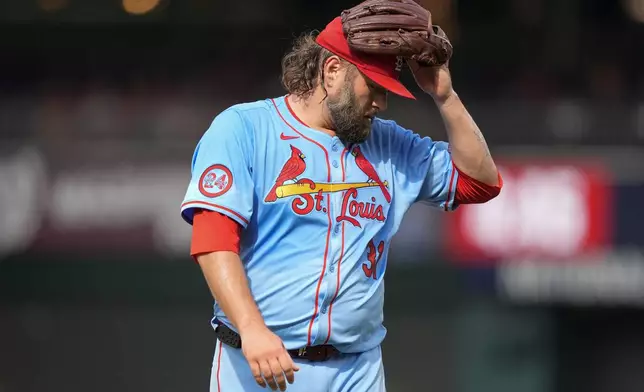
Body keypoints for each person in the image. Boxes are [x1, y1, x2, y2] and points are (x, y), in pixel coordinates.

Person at [179, 13, 503, 392]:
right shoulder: (244, 128)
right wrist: (251, 327)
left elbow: (478, 184)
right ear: (332, 71)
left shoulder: (389, 144)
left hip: (356, 370)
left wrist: (445, 96)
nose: (381, 103)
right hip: (258, 364)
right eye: (373, 86)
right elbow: (212, 238)